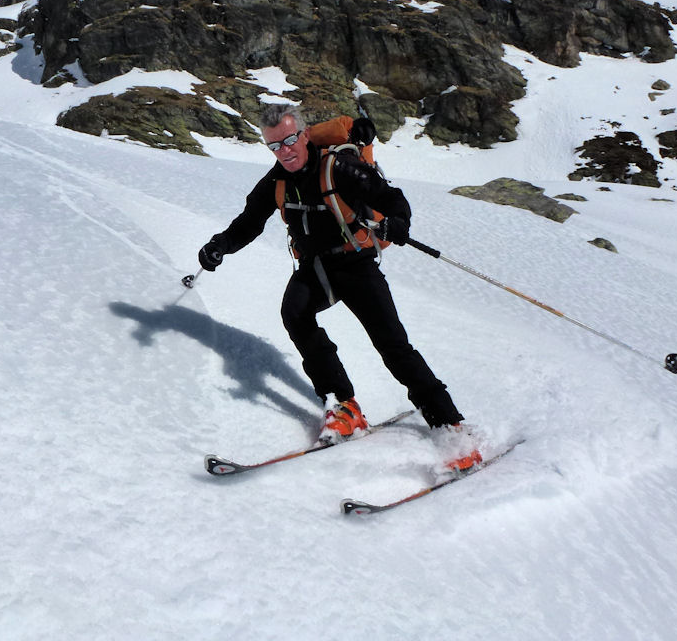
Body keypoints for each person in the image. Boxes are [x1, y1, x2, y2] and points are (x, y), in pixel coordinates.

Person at [198, 103, 477, 467]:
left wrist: (398, 221)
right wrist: (221, 245)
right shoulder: (276, 181)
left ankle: (452, 429)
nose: (285, 151)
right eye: (275, 146)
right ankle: (343, 406)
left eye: (290, 140)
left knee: (393, 347)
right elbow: (250, 221)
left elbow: (391, 198)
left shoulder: (339, 168)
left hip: (356, 264)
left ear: (305, 135)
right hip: (315, 267)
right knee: (295, 313)